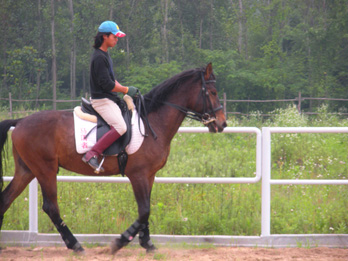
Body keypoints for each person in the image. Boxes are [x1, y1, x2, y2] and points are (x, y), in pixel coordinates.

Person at [82, 21, 138, 172]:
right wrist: (125, 89)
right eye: (114, 36)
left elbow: (112, 80)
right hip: (102, 101)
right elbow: (107, 84)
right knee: (121, 126)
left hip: (109, 99)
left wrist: (124, 90)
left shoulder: (104, 55)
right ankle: (92, 153)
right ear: (105, 36)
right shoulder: (99, 57)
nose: (116, 40)